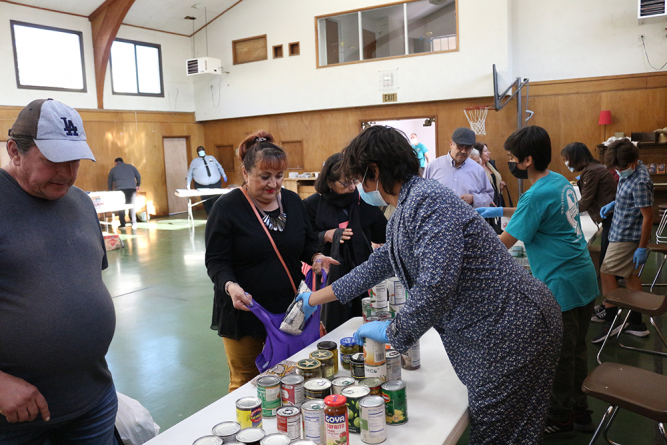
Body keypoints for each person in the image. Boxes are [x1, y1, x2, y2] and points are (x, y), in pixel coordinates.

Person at [295, 125, 562, 444]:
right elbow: (376, 266)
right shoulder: (405, 207)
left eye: (359, 179)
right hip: (499, 326)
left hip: (511, 329)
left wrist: (394, 333)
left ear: (375, 170)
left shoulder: (427, 201)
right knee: (505, 430)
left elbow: (436, 286)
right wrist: (313, 299)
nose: (358, 189)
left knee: (499, 433)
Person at [0, 99, 117, 444]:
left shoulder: (80, 203)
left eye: (75, 160)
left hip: (93, 400)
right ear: (15, 151)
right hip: (13, 419)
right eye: (54, 159)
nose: (67, 172)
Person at [476, 126, 599, 439]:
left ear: (527, 160)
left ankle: (560, 417)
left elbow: (502, 244)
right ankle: (581, 409)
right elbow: (533, 213)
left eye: (512, 158)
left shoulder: (534, 194)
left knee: (559, 356)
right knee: (578, 350)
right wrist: (496, 210)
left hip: (562, 284)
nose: (510, 163)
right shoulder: (558, 181)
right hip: (583, 278)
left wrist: (469, 243)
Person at [204, 130, 338, 392]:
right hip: (245, 311)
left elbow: (307, 242)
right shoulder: (227, 208)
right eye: (264, 177)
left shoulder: (291, 201)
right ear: (245, 173)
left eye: (279, 176)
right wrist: (230, 286)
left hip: (291, 308)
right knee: (246, 382)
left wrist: (316, 256)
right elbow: (216, 262)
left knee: (292, 374)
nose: (273, 184)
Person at [303, 153, 388, 331]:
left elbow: (383, 233)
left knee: (364, 321)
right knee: (333, 326)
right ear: (329, 182)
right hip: (328, 275)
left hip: (363, 273)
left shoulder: (364, 201)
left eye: (354, 181)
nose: (351, 187)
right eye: (345, 183)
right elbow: (304, 240)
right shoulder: (311, 205)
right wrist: (326, 235)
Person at [591, 139, 653, 343]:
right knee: (630, 276)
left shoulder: (640, 179)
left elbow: (648, 217)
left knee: (606, 272)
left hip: (627, 236)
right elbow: (633, 199)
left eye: (623, 167)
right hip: (620, 230)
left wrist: (642, 248)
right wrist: (615, 204)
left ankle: (612, 320)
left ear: (634, 160)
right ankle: (636, 323)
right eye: (617, 168)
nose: (620, 170)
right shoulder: (632, 170)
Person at [560, 142, 617, 271]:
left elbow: (584, 203)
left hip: (611, 217)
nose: (566, 163)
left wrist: (560, 212)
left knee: (607, 264)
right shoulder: (595, 167)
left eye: (566, 159)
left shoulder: (592, 172)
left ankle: (612, 289)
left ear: (575, 157)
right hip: (611, 216)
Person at [423, 127, 494, 208]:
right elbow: (421, 194)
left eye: (467, 148)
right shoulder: (433, 167)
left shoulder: (478, 170)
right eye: (460, 146)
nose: (463, 151)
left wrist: (474, 198)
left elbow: (489, 196)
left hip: (467, 219)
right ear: (451, 144)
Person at [186, 146, 228, 215]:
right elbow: (190, 174)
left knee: (217, 200)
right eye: (199, 151)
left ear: (204, 151)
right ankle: (209, 215)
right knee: (206, 202)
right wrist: (188, 184)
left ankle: (217, 215)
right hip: (202, 186)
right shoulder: (194, 162)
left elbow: (219, 167)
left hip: (215, 184)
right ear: (197, 153)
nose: (201, 152)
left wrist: (224, 175)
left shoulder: (211, 158)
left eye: (202, 150)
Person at [477, 142, 506, 233]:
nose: (489, 153)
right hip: (487, 202)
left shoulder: (490, 165)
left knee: (500, 226)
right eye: (485, 151)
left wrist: (500, 184)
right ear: (479, 154)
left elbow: (494, 180)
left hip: (498, 198)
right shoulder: (476, 168)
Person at [108, 157, 141, 228]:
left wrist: (110, 192)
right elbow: (138, 176)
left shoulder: (113, 170)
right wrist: (138, 185)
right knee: (132, 206)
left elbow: (110, 182)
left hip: (120, 190)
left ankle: (123, 224)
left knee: (121, 206)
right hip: (131, 189)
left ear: (116, 163)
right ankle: (134, 223)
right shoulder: (131, 167)